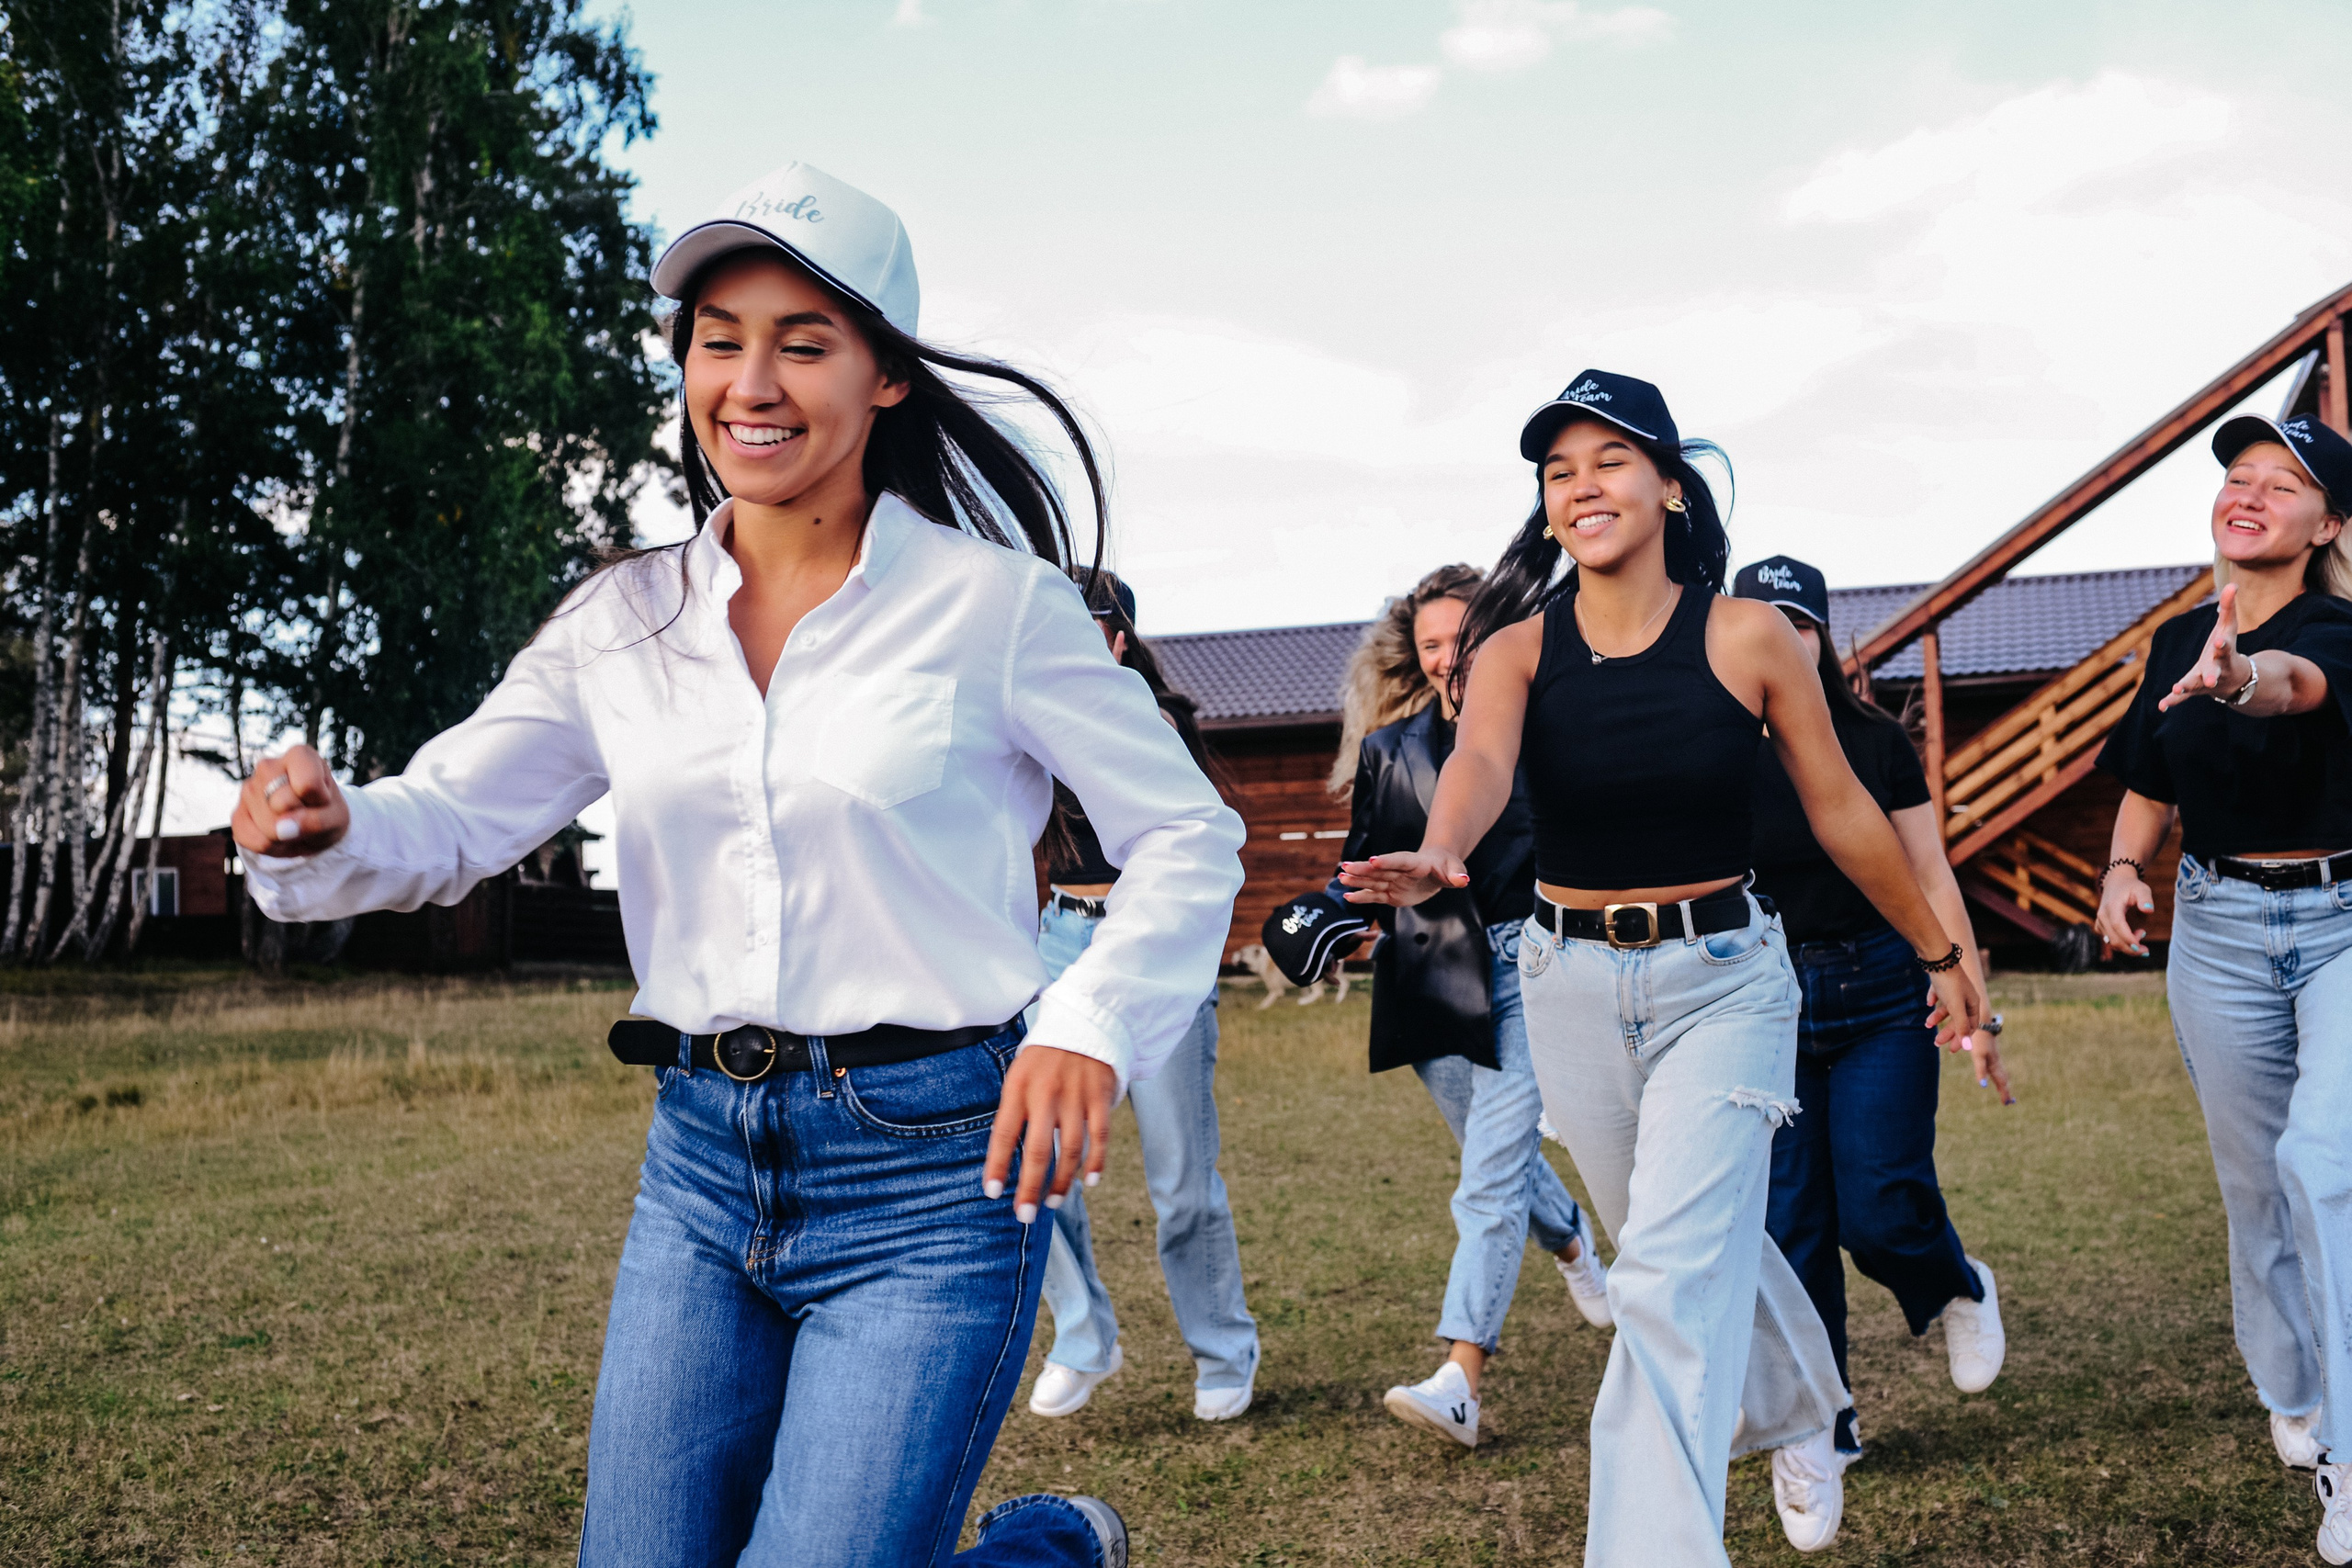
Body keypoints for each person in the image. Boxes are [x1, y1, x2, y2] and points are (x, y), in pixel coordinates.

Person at [231, 161, 1245, 1568]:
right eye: (720, 338)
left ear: (886, 376)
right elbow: (454, 814)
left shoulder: (994, 607)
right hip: (702, 1166)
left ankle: (1046, 1549)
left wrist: (1085, 1025)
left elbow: (1188, 832)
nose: (751, 382)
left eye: (802, 342)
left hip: (933, 1170)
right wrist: (329, 835)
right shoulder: (622, 621)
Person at [1340, 370, 1987, 1565]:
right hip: (1569, 983)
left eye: (1610, 458)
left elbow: (1843, 810)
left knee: (1661, 1295)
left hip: (1726, 979)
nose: (1582, 484)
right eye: (1558, 469)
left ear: (1671, 486)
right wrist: (1439, 850)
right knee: (1680, 1258)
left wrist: (1939, 949)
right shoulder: (1518, 650)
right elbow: (1479, 766)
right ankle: (1803, 1402)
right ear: (1546, 509)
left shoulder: (1743, 635)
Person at [2094, 411, 2352, 1566]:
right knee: (2256, 1184)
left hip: (2343, 920)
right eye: (2236, 477)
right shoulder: (2170, 644)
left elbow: (2290, 688)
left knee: (2324, 1167)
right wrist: (2116, 874)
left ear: (2328, 525)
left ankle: (2349, 1448)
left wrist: (2238, 672)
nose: (2247, 494)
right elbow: (2149, 773)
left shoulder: (2336, 633)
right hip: (2215, 930)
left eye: (2282, 484)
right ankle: (2290, 1384)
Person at [1320, 563, 1611, 1450]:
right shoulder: (1389, 751)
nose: (1452, 658)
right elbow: (1363, 866)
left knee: (1488, 1169)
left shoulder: (1549, 734)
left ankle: (1461, 1377)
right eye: (1435, 645)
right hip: (1431, 977)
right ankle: (1571, 1244)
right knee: (1501, 1158)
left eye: (1466, 640)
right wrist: (1324, 913)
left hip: (1534, 964)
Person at [1734, 555, 2008, 1468]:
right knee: (1790, 1224)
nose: (1780, 637)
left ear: (1818, 638)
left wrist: (1974, 1007)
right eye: (1760, 619)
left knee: (1880, 1208)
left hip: (1882, 992)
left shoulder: (1873, 742)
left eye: (1796, 623)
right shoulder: (1714, 749)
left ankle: (1956, 1285)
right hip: (1760, 1006)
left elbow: (1930, 873)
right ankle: (1824, 1417)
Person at [1023, 570, 1261, 1424]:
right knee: (1030, 1158)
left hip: (1147, 944)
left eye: (1083, 631)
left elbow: (1194, 848)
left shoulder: (1156, 724)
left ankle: (1223, 1346)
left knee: (1181, 1180)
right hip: (1056, 935)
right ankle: (1084, 1334)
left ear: (1118, 642)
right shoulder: (1027, 712)